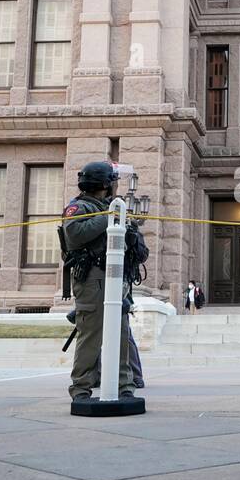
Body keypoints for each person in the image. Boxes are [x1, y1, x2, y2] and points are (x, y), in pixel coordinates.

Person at [61, 161, 140, 403]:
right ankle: (82, 389)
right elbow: (74, 233)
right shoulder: (79, 207)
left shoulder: (112, 208)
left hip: (117, 280)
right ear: (105, 184)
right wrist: (109, 217)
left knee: (121, 335)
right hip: (92, 279)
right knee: (91, 336)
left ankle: (124, 385)